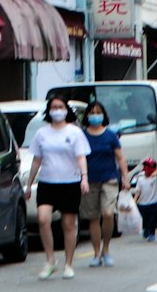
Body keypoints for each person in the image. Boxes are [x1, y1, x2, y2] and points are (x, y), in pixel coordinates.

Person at [24, 94, 90, 280]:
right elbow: (37, 160)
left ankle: (68, 264)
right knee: (43, 220)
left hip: (69, 183)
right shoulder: (42, 134)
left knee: (68, 224)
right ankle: (50, 260)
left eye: (60, 107)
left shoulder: (74, 132)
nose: (57, 110)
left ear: (66, 110)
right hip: (47, 183)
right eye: (54, 107)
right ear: (49, 110)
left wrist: (84, 178)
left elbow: (81, 157)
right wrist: (29, 184)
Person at [82, 100, 130, 266]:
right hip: (89, 181)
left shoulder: (110, 135)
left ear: (103, 115)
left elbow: (120, 157)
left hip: (109, 178)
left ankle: (106, 248)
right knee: (93, 217)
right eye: (92, 112)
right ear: (87, 116)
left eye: (98, 112)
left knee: (108, 213)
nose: (95, 116)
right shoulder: (82, 135)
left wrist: (125, 177)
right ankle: (96, 253)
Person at [136, 157, 157, 241]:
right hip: (142, 203)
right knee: (144, 219)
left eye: (149, 166)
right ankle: (146, 229)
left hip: (153, 203)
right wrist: (134, 200)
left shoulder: (155, 178)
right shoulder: (140, 179)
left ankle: (152, 233)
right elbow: (138, 192)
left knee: (152, 219)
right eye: (145, 166)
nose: (146, 168)